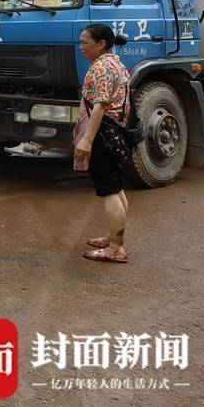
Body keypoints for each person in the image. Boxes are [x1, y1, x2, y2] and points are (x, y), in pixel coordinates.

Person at [74, 24, 131, 264]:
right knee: (116, 188)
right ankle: (113, 238)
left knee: (108, 191)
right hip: (115, 133)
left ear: (101, 44)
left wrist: (87, 139)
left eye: (85, 43)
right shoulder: (116, 64)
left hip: (102, 135)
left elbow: (100, 105)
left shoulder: (101, 68)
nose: (81, 48)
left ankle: (116, 249)